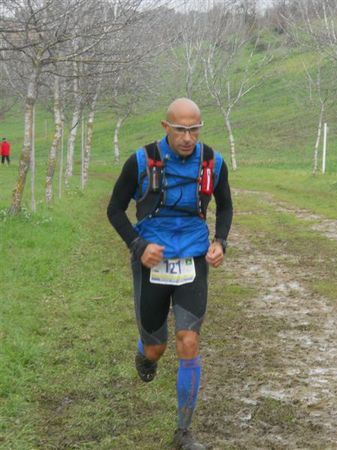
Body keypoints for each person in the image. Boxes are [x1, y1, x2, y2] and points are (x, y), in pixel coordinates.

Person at [107, 98, 233, 450]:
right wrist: (138, 245)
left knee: (188, 341)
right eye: (180, 129)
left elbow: (225, 205)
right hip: (152, 259)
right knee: (156, 347)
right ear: (166, 127)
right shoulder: (141, 160)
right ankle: (144, 352)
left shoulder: (212, 161)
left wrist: (220, 242)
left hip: (192, 258)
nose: (188, 137)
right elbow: (115, 209)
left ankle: (183, 432)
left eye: (194, 129)